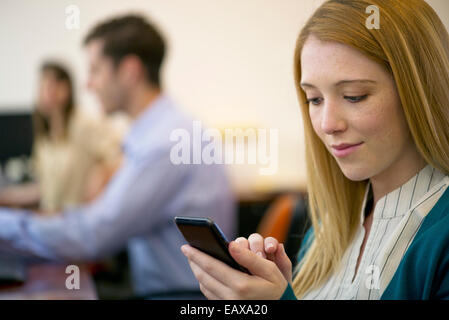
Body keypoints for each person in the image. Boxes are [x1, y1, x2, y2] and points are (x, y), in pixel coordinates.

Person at [181, 0, 449, 300]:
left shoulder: (440, 232)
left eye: (354, 96)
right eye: (314, 99)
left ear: (420, 90)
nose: (327, 124)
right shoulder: (329, 227)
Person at [0, 14, 236, 298]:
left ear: (130, 71)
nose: (88, 84)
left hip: (176, 296)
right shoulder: (160, 132)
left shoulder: (164, 143)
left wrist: (7, 224)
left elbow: (94, 235)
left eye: (96, 70)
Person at [0, 62, 123, 213]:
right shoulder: (46, 136)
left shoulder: (84, 124)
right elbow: (45, 189)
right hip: (51, 219)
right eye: (42, 86)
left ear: (66, 90)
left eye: (50, 86)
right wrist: (7, 197)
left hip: (76, 221)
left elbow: (120, 158)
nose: (45, 93)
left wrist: (99, 177)